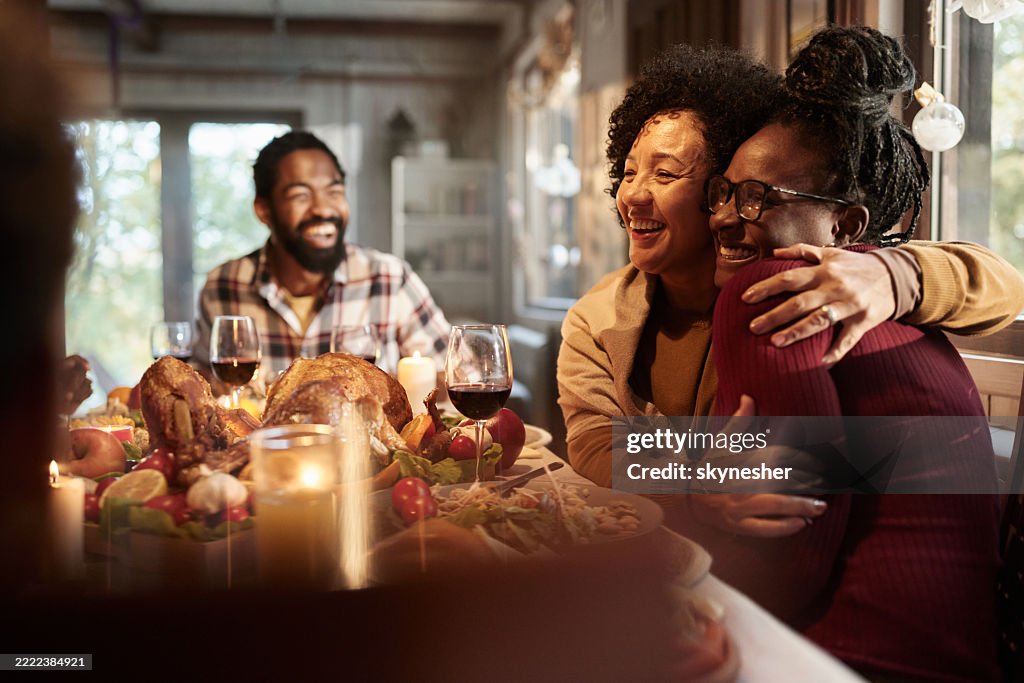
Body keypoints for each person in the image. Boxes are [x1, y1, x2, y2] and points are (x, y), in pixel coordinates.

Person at [557, 41, 1024, 510]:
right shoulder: (596, 316)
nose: (632, 195)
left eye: (665, 175)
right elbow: (597, 444)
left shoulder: (808, 282)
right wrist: (702, 480)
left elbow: (1002, 285)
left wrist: (894, 276)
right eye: (630, 171)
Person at [704, 25, 999, 681]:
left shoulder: (773, 289)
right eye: (723, 191)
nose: (726, 215)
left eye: (756, 197)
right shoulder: (901, 315)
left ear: (844, 226)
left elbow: (792, 555)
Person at [194, 131, 450, 383]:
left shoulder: (390, 279)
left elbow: (461, 375)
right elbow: (202, 386)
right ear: (264, 211)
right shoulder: (223, 287)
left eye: (334, 192)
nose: (323, 209)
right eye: (300, 196)